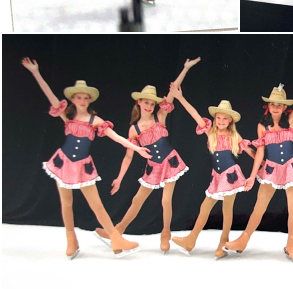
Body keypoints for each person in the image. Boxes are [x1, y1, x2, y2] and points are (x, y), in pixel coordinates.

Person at [21, 57, 151, 259]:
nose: (82, 101)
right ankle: (71, 240)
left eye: (85, 98)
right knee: (66, 203)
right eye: (79, 98)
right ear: (73, 99)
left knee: (96, 204)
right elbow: (50, 96)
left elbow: (116, 137)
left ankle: (115, 238)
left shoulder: (95, 120)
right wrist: (36, 72)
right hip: (63, 162)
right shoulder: (67, 116)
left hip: (83, 166)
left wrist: (136, 147)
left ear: (90, 100)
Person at [224, 58, 293, 263]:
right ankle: (243, 239)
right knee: (259, 206)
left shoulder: (290, 121)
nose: (276, 107)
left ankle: (292, 243)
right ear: (268, 106)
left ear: (284, 108)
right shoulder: (262, 127)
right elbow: (260, 153)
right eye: (273, 103)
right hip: (271, 170)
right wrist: (252, 176)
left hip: (291, 168)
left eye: (279, 104)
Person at [93, 58, 200, 253]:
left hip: (170, 163)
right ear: (139, 102)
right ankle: (118, 230)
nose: (149, 106)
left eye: (152, 103)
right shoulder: (133, 130)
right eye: (146, 103)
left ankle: (165, 233)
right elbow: (128, 157)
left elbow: (173, 89)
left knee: (166, 200)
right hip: (153, 168)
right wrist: (119, 178)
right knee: (137, 200)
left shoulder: (161, 116)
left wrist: (185, 68)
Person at [170, 88, 255, 258]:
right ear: (215, 119)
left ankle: (223, 243)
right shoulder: (210, 131)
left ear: (230, 120)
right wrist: (180, 97)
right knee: (205, 207)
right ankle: (191, 240)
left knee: (227, 209)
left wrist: (259, 167)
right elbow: (193, 113)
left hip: (230, 175)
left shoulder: (234, 135)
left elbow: (252, 152)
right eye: (219, 117)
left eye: (225, 118)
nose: (221, 120)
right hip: (217, 176)